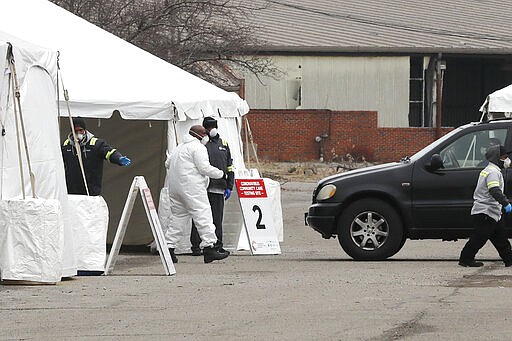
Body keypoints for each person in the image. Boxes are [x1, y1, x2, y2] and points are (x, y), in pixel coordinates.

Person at [164, 125, 229, 264]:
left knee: (178, 218)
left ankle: (168, 248)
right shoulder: (198, 147)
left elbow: (167, 163)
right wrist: (221, 174)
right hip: (192, 188)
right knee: (203, 214)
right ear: (200, 135)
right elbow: (204, 168)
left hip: (175, 188)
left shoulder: (179, 147)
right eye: (205, 133)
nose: (206, 136)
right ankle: (209, 247)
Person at [459, 144, 512, 267]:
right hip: (485, 212)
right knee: (479, 238)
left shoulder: (490, 170)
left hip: (491, 212)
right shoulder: (493, 172)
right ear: (496, 158)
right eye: (504, 157)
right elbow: (494, 190)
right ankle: (465, 259)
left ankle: (509, 259)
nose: (507, 159)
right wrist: (505, 203)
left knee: (500, 238)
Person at [190, 117, 234, 256]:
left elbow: (229, 165)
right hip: (202, 187)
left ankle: (218, 245)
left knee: (217, 218)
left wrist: (229, 185)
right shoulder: (200, 144)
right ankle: (196, 246)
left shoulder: (224, 143)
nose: (212, 130)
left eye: (213, 126)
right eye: (208, 128)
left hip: (219, 187)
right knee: (200, 217)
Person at [61, 117, 132, 195]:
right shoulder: (66, 145)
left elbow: (109, 152)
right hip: (71, 192)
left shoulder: (95, 144)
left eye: (80, 130)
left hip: (91, 191)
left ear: (85, 130)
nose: (78, 133)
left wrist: (118, 158)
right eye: (75, 131)